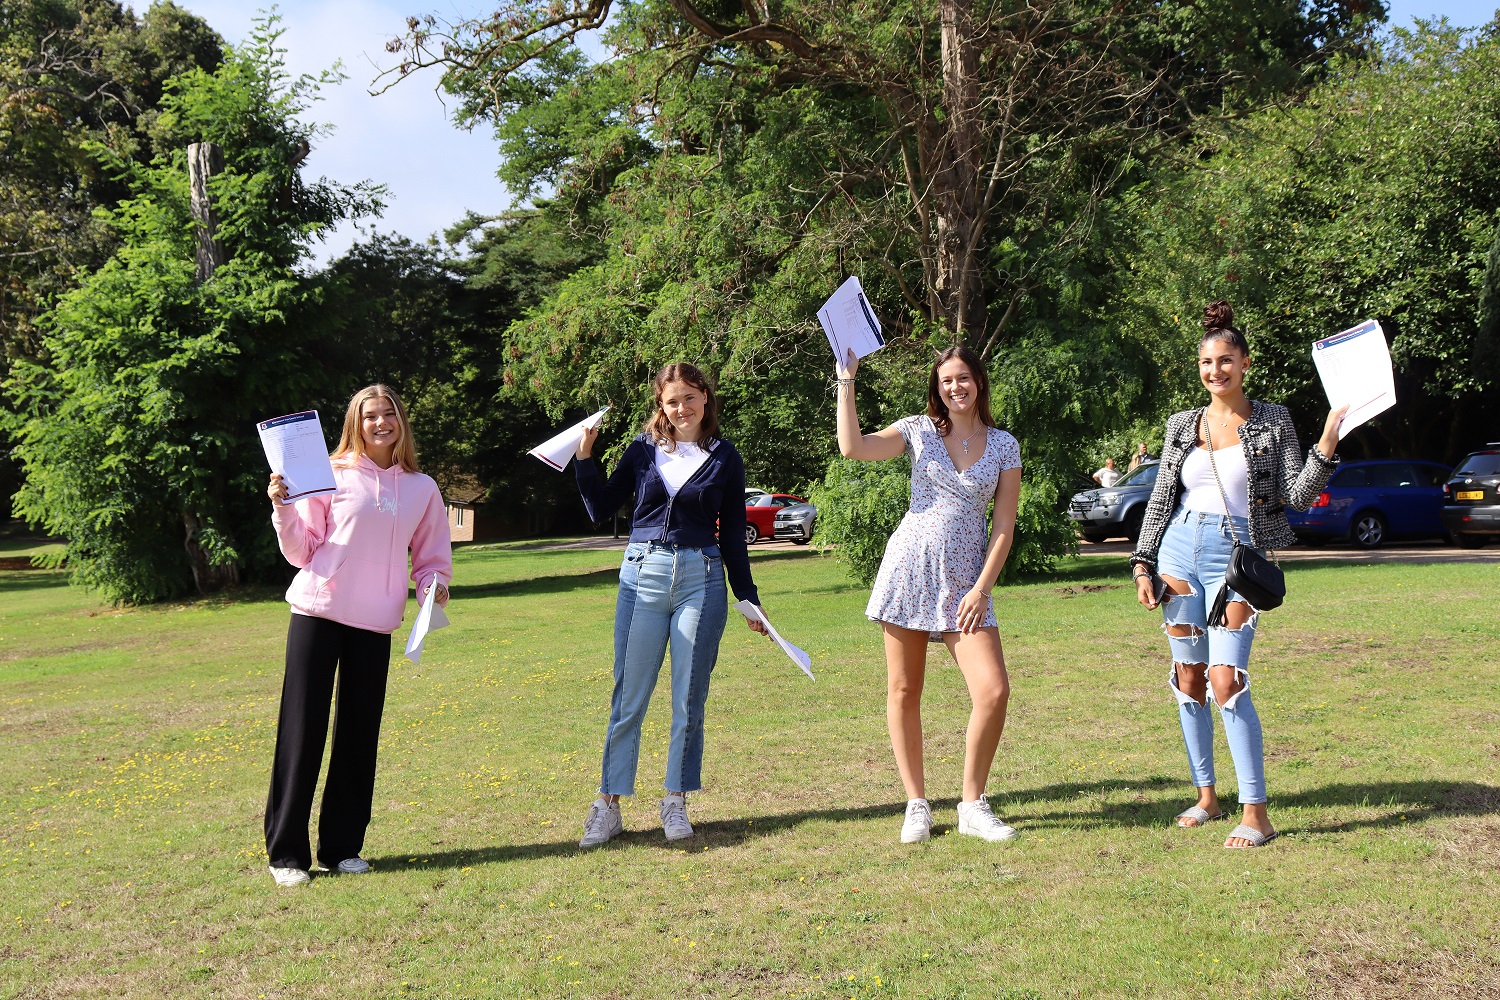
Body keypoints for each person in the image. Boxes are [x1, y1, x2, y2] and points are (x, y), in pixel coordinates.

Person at [1129, 301, 1344, 849]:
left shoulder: (1273, 420)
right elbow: (1160, 499)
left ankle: (1257, 813)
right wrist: (1142, 563)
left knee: (1227, 682)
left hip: (1237, 554)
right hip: (1178, 547)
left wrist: (1326, 442)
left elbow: (1296, 496)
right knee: (1189, 681)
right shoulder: (1183, 423)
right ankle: (1207, 796)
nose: (1215, 371)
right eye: (1206, 362)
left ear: (1245, 363)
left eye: (1226, 361)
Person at [572, 363, 768, 848]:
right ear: (660, 405)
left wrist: (750, 600)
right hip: (642, 577)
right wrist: (584, 458)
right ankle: (608, 804)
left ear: (706, 398)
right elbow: (600, 508)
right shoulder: (641, 450)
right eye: (671, 401)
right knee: (629, 695)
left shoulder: (725, 457)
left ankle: (675, 800)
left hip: (701, 580)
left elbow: (734, 542)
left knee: (688, 697)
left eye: (690, 398)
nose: (681, 409)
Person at [264, 385, 452, 886]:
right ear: (356, 423)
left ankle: (342, 848)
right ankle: (286, 855)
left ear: (401, 422)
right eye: (370, 416)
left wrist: (435, 586)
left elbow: (432, 558)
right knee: (302, 733)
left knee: (358, 737)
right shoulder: (329, 476)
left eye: (389, 413)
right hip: (318, 613)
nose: (381, 422)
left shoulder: (421, 487)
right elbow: (303, 550)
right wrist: (283, 508)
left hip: (376, 621)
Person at [835, 345, 1023, 844]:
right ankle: (916, 804)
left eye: (963, 378)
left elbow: (1003, 526)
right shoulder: (918, 430)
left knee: (993, 691)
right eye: (945, 382)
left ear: (978, 382)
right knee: (903, 690)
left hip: (967, 583)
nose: (954, 388)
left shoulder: (1005, 445)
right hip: (910, 570)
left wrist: (983, 589)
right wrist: (846, 382)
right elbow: (853, 447)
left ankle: (971, 804)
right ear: (937, 389)